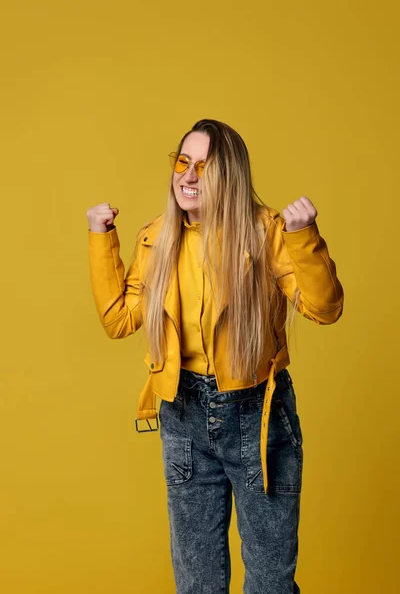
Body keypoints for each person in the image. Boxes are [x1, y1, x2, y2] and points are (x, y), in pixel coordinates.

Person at [86, 118, 344, 594]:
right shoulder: (156, 238)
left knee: (270, 580)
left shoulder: (266, 232)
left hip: (257, 415)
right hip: (182, 415)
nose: (188, 175)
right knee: (197, 583)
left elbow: (324, 310)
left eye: (205, 166)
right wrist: (103, 239)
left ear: (232, 175)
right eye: (183, 161)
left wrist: (305, 236)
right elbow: (118, 319)